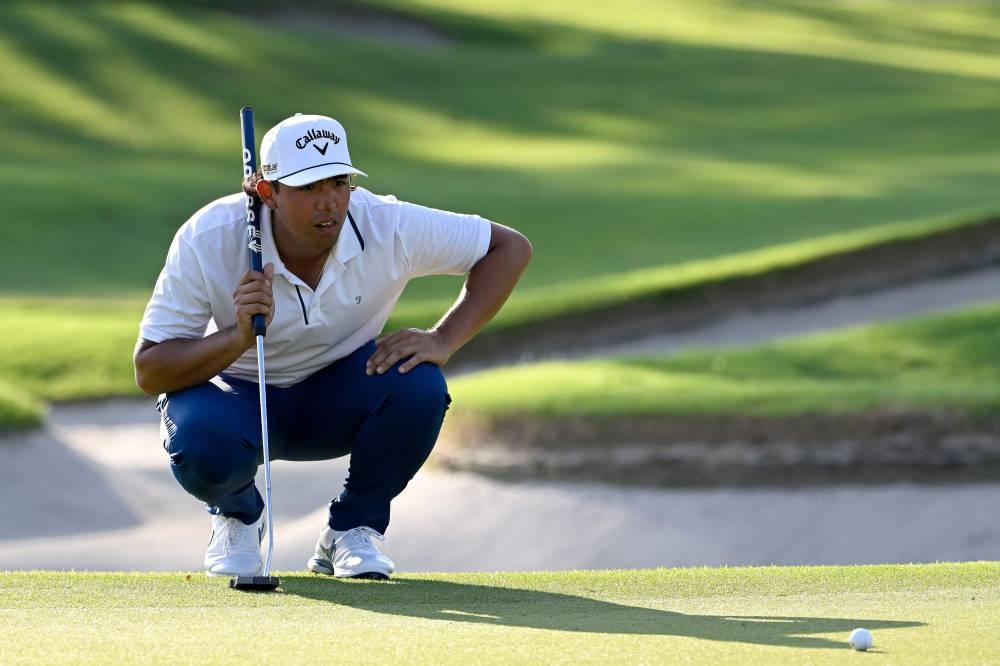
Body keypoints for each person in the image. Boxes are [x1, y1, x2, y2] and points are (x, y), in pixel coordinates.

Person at [133, 113, 531, 579]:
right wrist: (237, 335)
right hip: (241, 400)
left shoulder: (388, 225)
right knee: (200, 439)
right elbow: (150, 369)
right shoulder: (209, 237)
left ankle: (352, 529)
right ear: (268, 193)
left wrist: (444, 338)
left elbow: (509, 248)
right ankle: (238, 517)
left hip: (338, 397)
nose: (329, 204)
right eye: (307, 188)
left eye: (338, 183)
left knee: (418, 384)